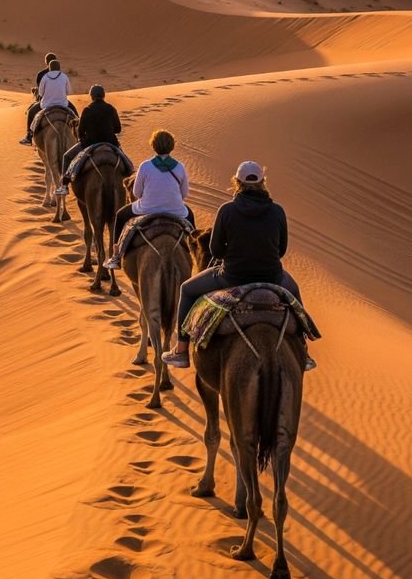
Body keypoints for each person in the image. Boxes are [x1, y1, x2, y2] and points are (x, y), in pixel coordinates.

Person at [162, 160, 314, 370]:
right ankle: (303, 350)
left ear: (237, 182)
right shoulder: (277, 211)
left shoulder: (227, 210)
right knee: (294, 292)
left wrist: (232, 255)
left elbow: (215, 251)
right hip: (272, 276)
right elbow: (282, 250)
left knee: (186, 290)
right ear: (263, 182)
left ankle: (180, 351)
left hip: (232, 276)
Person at [104, 128, 194, 270]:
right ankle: (194, 250)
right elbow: (184, 194)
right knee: (191, 216)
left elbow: (137, 192)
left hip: (146, 208)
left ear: (153, 145)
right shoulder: (180, 167)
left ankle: (116, 256)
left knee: (120, 216)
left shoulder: (145, 166)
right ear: (172, 146)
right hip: (176, 210)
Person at [55, 85, 132, 196]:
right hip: (111, 143)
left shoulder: (87, 110)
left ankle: (64, 186)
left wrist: (84, 136)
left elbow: (80, 131)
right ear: (104, 95)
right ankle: (131, 183)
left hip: (90, 143)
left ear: (91, 96)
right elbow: (118, 129)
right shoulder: (111, 108)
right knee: (128, 164)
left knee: (66, 157)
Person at [19, 53, 76, 144]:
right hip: (63, 103)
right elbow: (68, 92)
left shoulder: (44, 77)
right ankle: (79, 134)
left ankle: (29, 136)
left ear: (48, 65)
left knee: (31, 112)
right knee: (75, 114)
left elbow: (41, 93)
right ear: (59, 66)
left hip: (47, 104)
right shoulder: (64, 76)